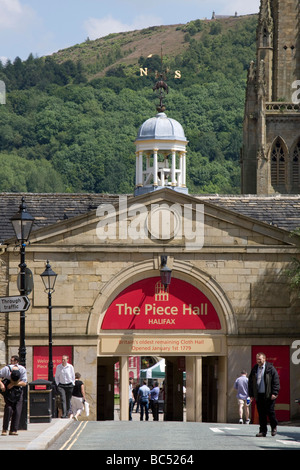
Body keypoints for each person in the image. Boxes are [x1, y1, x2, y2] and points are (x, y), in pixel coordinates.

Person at [248, 352, 280, 437]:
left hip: (269, 395)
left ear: (264, 359)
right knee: (261, 414)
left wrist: (274, 392)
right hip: (259, 395)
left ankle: (274, 426)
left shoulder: (270, 368)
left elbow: (276, 381)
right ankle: (263, 431)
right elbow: (250, 382)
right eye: (257, 359)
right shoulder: (255, 368)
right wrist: (251, 394)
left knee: (270, 413)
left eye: (260, 359)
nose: (258, 361)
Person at [0, 356, 27, 436]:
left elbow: (24, 383)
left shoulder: (22, 369)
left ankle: (13, 430)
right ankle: (4, 429)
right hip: (8, 390)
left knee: (17, 410)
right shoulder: (6, 369)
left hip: (18, 390)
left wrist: (14, 383)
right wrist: (1, 384)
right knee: (8, 408)